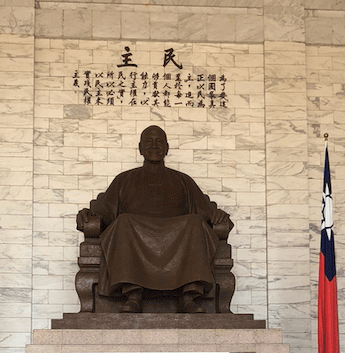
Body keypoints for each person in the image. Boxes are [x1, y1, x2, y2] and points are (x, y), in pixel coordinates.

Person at [76, 125, 230, 313]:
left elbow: (203, 211)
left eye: (159, 142)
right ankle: (133, 295)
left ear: (167, 148)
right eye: (149, 141)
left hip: (178, 235)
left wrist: (216, 215)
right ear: (140, 148)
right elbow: (105, 211)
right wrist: (91, 214)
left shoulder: (183, 181)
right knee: (123, 222)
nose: (154, 146)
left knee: (195, 223)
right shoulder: (124, 180)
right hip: (134, 232)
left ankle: (188, 296)